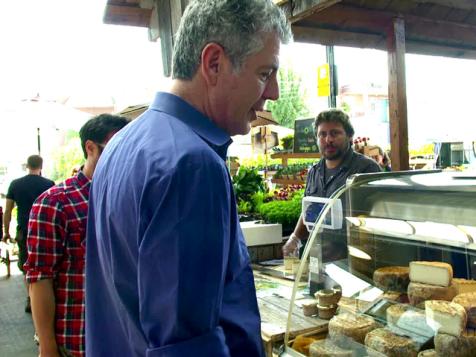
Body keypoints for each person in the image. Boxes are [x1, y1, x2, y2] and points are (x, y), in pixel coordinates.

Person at [85, 1, 291, 356]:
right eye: (264, 73)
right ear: (213, 63)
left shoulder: (123, 142)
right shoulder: (191, 164)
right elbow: (186, 346)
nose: (273, 92)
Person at [24, 114, 128, 357]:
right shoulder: (55, 202)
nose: (125, 158)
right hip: (77, 340)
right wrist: (47, 346)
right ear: (90, 148)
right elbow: (40, 278)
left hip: (127, 340)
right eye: (115, 150)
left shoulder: (130, 196)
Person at [283, 109, 381, 258]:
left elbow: (378, 220)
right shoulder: (314, 172)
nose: (328, 139)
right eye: (322, 134)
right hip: (318, 260)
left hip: (354, 261)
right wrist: (295, 237)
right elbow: (309, 211)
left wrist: (346, 248)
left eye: (335, 133)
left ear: (349, 136)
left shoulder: (366, 169)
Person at [2, 154, 55, 312]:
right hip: (46, 229)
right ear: (41, 166)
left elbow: (7, 211)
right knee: (46, 264)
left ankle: (31, 298)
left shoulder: (15, 184)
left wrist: (6, 232)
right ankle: (46, 298)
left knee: (26, 264)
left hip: (24, 229)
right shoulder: (49, 184)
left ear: (27, 165)